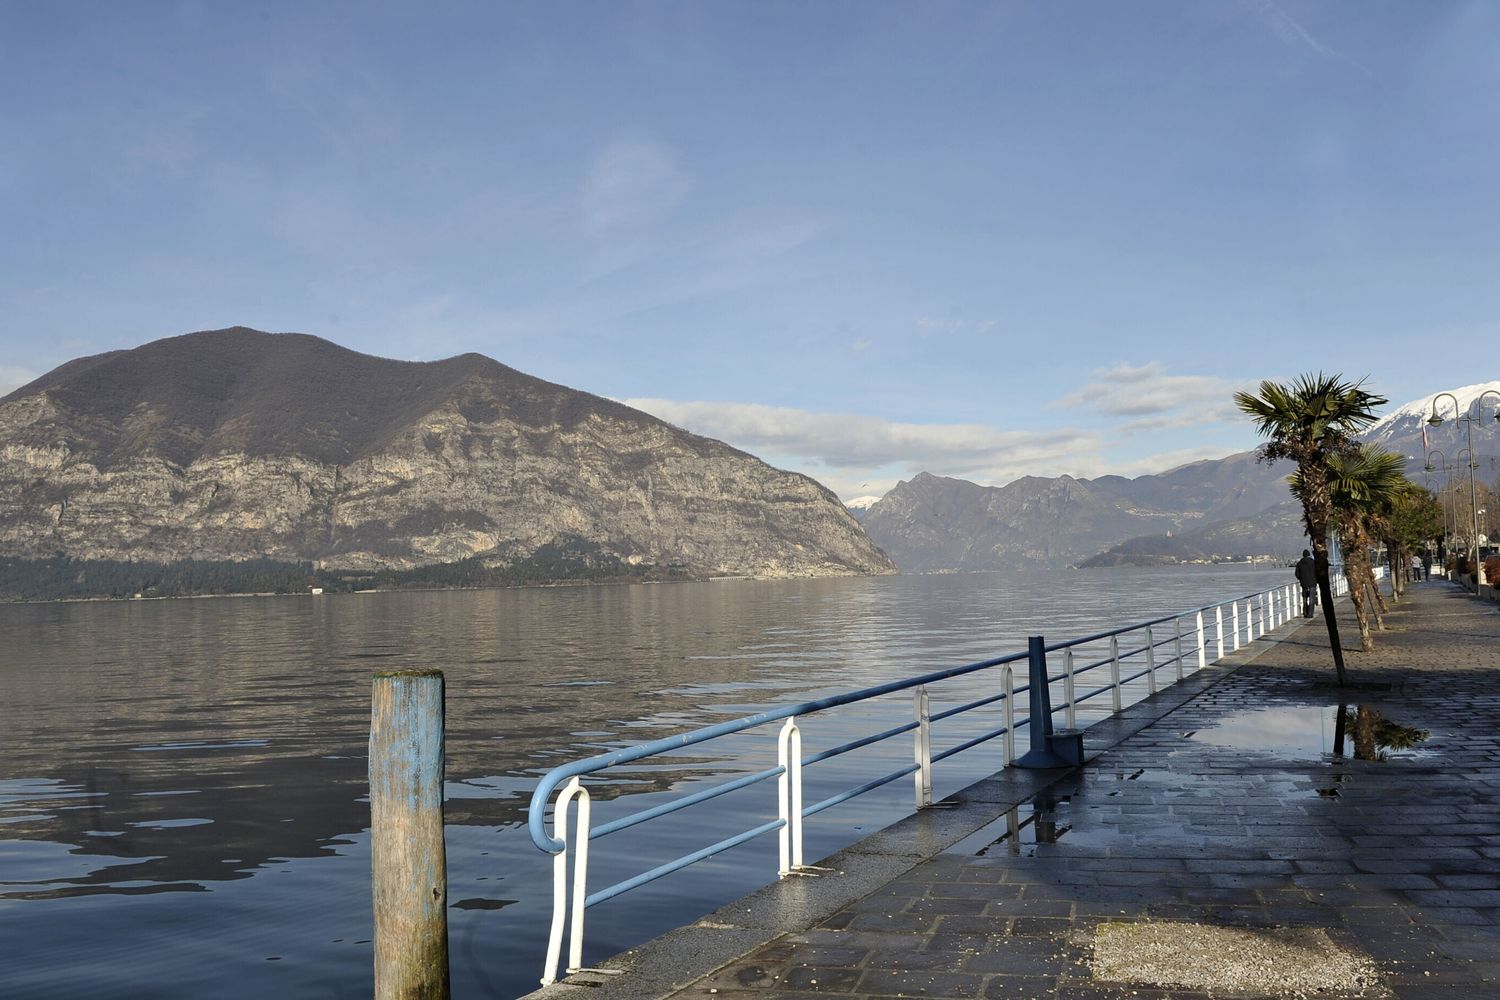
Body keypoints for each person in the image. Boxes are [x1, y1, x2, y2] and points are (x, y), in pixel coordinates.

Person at [1295, 549, 1317, 618]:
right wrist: (1316, 579)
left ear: (1303, 555)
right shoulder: (1313, 563)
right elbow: (1317, 572)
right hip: (1312, 583)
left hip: (1304, 584)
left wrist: (1301, 579)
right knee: (1311, 599)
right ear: (1309, 555)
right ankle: (1310, 614)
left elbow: (1297, 574)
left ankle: (1305, 613)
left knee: (1305, 599)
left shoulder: (1299, 563)